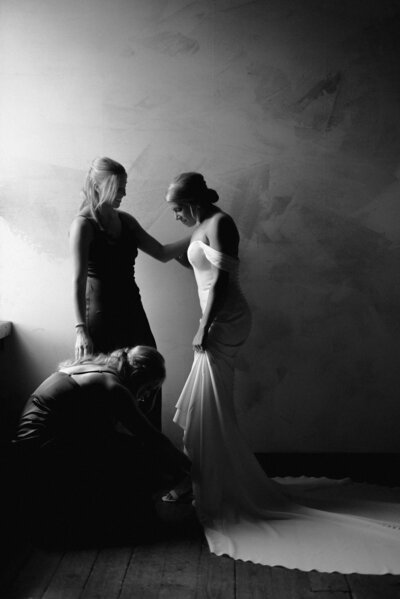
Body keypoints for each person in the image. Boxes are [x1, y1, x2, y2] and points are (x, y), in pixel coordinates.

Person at [163, 171, 400, 574]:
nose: (173, 217)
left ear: (190, 202)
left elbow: (222, 278)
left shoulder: (221, 222)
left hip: (224, 318)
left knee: (210, 402)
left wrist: (204, 325)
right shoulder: (201, 225)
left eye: (174, 209)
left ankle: (208, 481)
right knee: (208, 402)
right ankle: (204, 479)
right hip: (214, 317)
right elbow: (188, 260)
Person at [15, 346, 190, 546]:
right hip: (42, 447)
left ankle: (111, 515)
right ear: (138, 376)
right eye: (149, 388)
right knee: (141, 453)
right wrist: (191, 468)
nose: (145, 396)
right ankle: (130, 522)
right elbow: (152, 437)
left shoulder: (93, 367)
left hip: (33, 440)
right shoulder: (113, 386)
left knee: (123, 446)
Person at [69, 156, 190, 428]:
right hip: (99, 318)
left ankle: (148, 460)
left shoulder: (126, 221)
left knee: (149, 376)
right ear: (99, 186)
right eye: (119, 187)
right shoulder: (82, 225)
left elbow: (160, 252)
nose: (124, 193)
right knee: (103, 386)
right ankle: (108, 464)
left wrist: (199, 234)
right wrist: (80, 329)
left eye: (125, 186)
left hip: (132, 312)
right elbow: (77, 281)